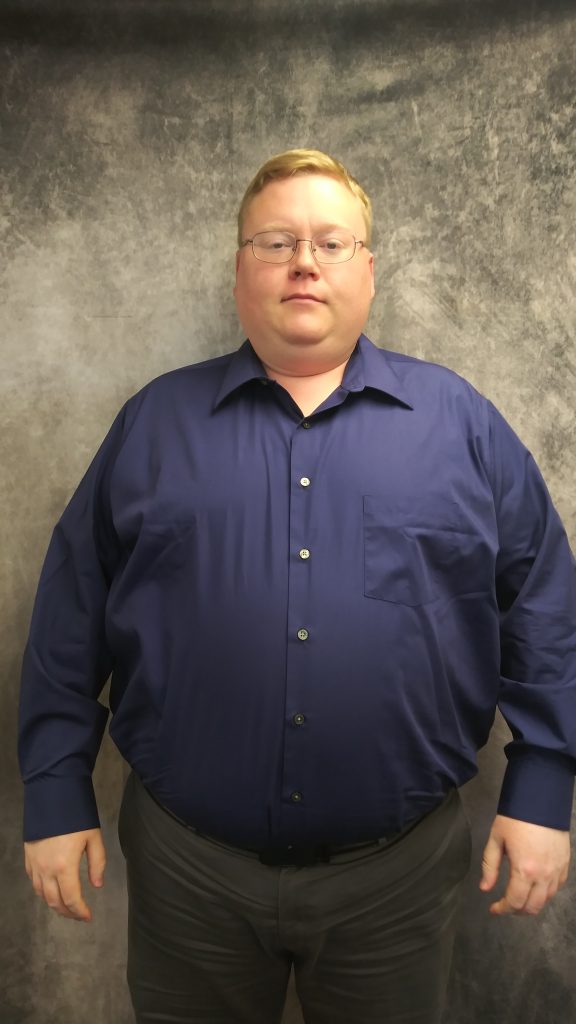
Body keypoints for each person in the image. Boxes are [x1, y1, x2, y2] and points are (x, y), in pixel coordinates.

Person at [19, 149, 576, 1024]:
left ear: (368, 269)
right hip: (188, 873)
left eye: (330, 242)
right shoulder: (154, 423)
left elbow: (545, 603)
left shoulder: (462, 424)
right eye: (276, 242)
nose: (304, 263)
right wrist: (55, 790)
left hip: (397, 878)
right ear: (240, 269)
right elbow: (70, 611)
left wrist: (543, 786)